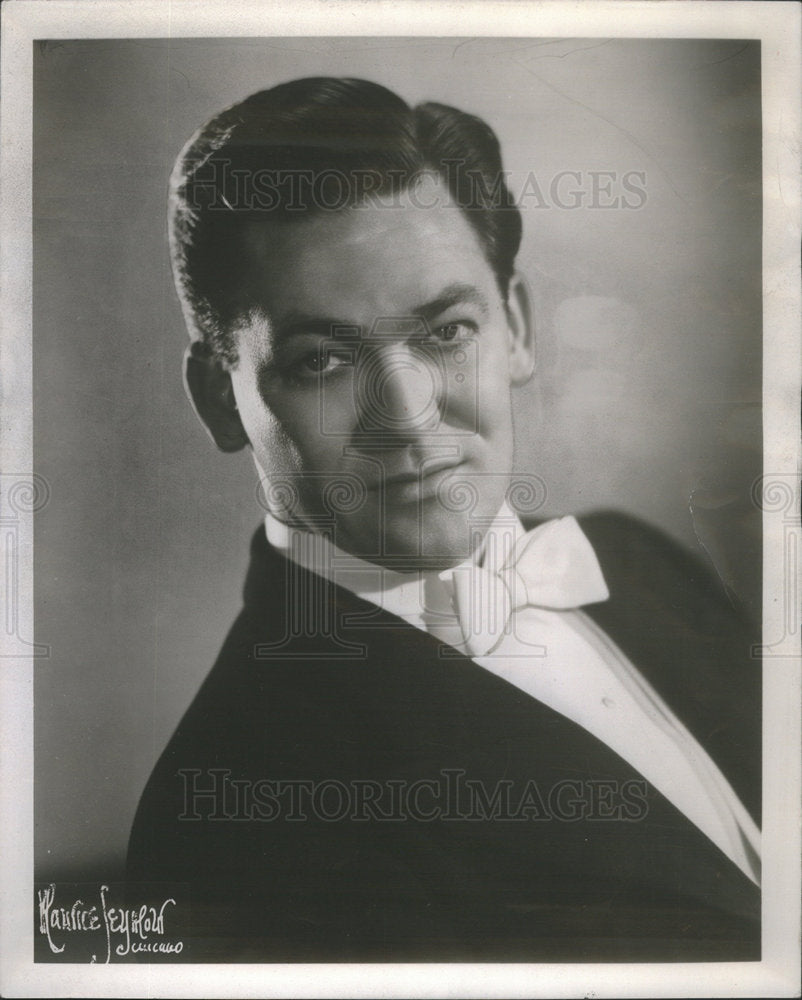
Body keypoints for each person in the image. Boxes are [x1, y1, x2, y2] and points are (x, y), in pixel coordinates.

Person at [127, 77, 761, 962]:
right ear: (219, 399)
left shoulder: (639, 562)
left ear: (516, 328)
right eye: (320, 362)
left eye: (445, 332)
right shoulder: (229, 818)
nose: (407, 414)